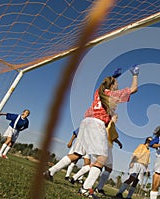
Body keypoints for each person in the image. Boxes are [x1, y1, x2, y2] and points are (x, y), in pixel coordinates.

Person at [45, 66, 139, 198]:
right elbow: (134, 89)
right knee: (102, 158)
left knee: (77, 154)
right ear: (112, 86)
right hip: (96, 124)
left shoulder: (99, 92)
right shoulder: (113, 95)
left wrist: (114, 76)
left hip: (86, 122)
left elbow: (104, 85)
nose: (118, 85)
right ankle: (85, 188)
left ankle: (50, 172)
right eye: (116, 83)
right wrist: (135, 75)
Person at [93, 113, 123, 195]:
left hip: (106, 145)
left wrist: (118, 142)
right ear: (112, 117)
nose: (117, 119)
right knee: (101, 165)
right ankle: (88, 186)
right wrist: (119, 142)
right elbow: (113, 136)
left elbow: (111, 136)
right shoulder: (110, 123)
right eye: (116, 117)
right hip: (106, 145)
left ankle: (98, 187)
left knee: (107, 167)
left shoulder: (108, 123)